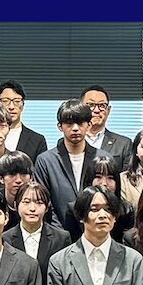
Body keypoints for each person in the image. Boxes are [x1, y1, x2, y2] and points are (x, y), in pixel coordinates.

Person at [34, 99, 101, 231]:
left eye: (80, 123)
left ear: (89, 125)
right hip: (57, 234)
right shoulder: (45, 161)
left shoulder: (102, 158)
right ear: (60, 126)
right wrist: (59, 234)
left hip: (96, 231)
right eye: (69, 123)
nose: (75, 128)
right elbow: (43, 202)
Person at [0, 79, 50, 161]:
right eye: (5, 101)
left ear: (23, 104)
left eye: (17, 101)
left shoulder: (37, 140)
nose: (11, 107)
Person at [83, 85, 134, 169]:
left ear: (108, 110)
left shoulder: (124, 144)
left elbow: (128, 175)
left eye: (102, 105)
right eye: (91, 105)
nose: (96, 110)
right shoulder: (70, 142)